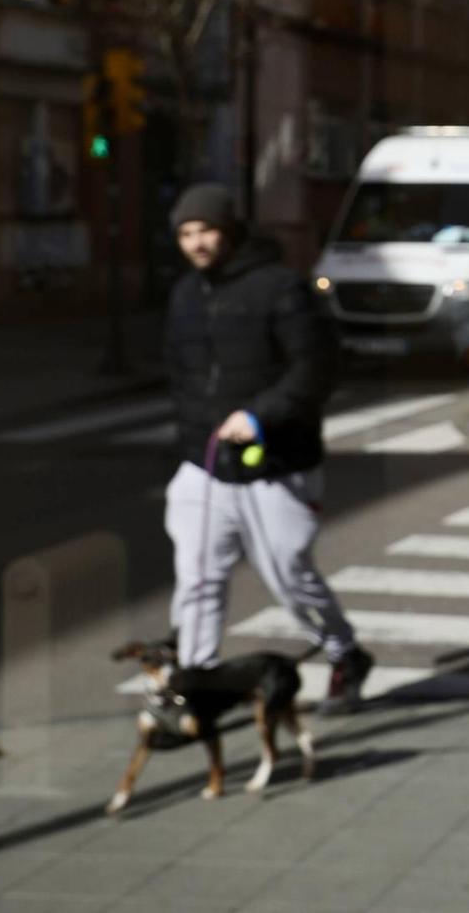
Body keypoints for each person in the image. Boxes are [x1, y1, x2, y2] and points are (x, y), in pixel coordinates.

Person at [161, 183, 373, 716]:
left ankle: (345, 653)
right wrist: (193, 433)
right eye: (186, 234)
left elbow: (316, 369)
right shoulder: (185, 294)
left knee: (288, 575)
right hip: (203, 465)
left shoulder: (281, 289)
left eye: (206, 230)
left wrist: (260, 415)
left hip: (276, 463)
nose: (197, 243)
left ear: (230, 231)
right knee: (198, 579)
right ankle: (196, 688)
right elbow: (182, 377)